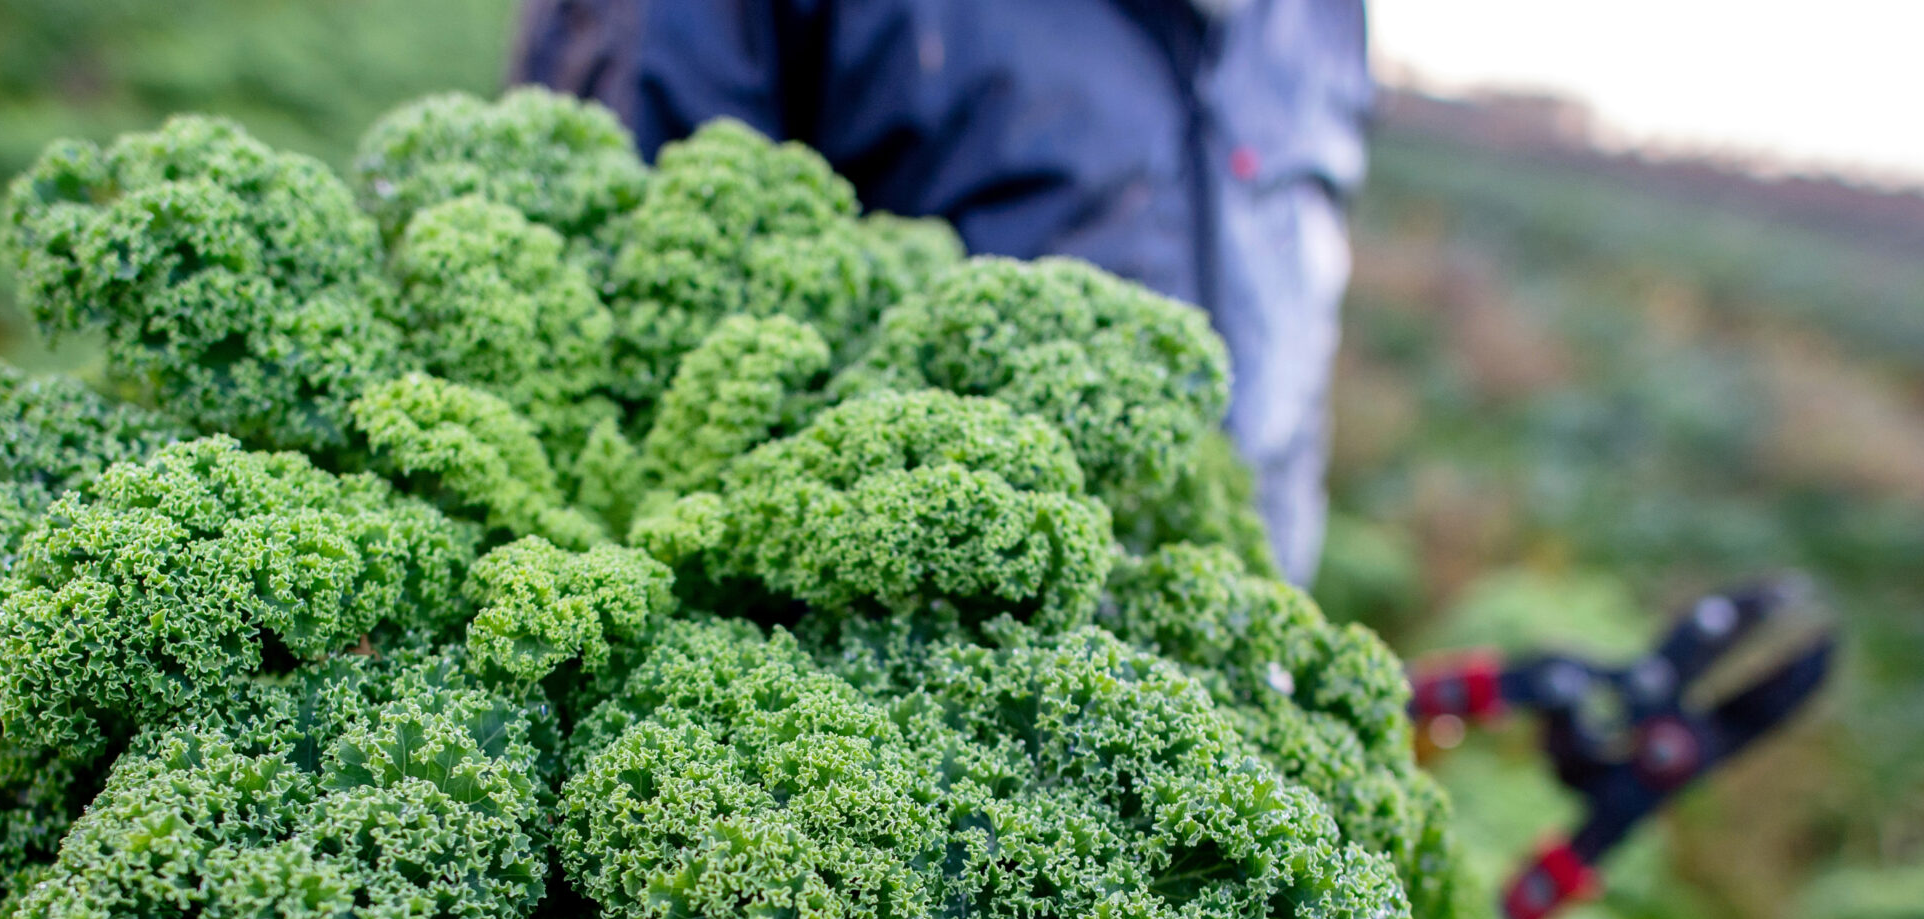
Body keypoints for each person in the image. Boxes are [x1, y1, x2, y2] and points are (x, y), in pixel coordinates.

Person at [510, 0, 1375, 588]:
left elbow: (1294, 320)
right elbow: (606, 295)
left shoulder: (1312, 20)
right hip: (857, 683)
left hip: (1187, 662)